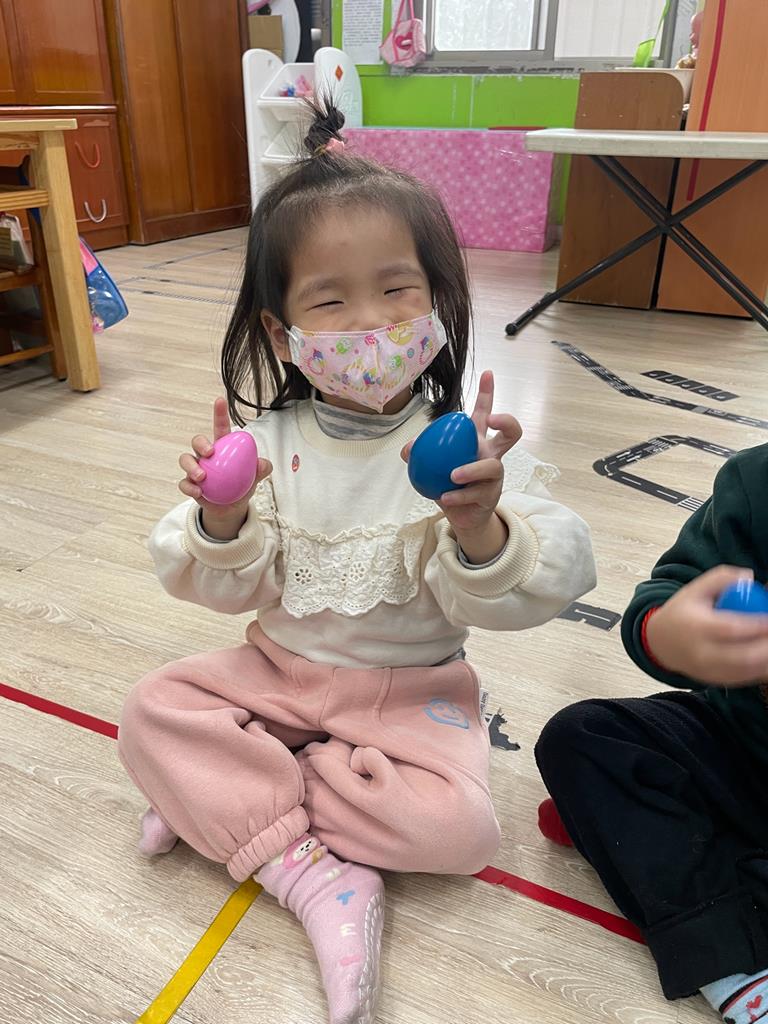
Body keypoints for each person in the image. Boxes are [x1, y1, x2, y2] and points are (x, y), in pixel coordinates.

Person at [118, 101, 596, 1024]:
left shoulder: (467, 454)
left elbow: (550, 579)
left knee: (462, 832)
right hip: (277, 673)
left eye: (397, 290)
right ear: (280, 331)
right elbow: (212, 582)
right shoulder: (267, 446)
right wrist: (221, 517)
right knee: (151, 708)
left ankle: (231, 796)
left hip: (410, 695)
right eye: (331, 301)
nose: (370, 322)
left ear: (438, 302)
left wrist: (482, 528)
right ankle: (309, 873)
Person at [536, 443, 768, 1024]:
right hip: (744, 749)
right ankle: (738, 969)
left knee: (615, 815)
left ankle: (648, 842)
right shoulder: (755, 482)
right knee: (582, 736)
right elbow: (665, 596)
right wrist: (672, 635)